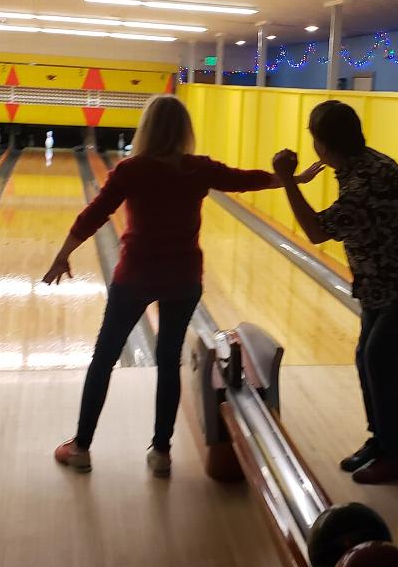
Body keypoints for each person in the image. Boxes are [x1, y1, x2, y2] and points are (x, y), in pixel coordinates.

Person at [44, 95, 319, 478]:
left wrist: (63, 254)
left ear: (146, 128)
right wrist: (290, 179)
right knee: (168, 361)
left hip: (136, 274)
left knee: (104, 358)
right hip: (183, 277)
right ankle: (161, 452)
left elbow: (95, 213)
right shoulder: (197, 169)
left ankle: (82, 447)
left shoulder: (130, 170)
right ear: (185, 131)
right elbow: (243, 180)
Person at [272, 100, 398, 485]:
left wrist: (287, 179)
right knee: (367, 355)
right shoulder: (362, 163)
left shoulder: (366, 181)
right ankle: (381, 441)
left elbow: (318, 231)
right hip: (383, 277)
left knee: (379, 357)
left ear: (322, 143)